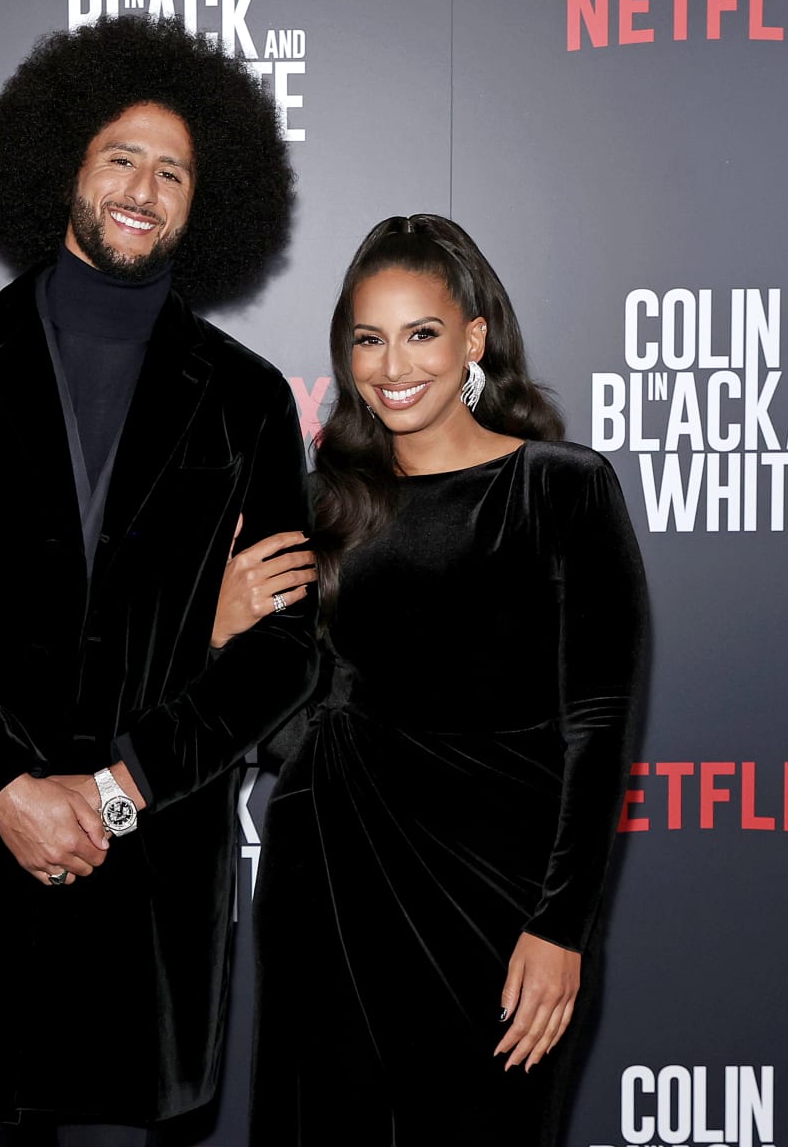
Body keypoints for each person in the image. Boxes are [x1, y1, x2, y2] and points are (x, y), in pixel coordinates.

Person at [0, 17, 318, 1146]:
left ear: (209, 203)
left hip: (139, 914)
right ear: (62, 162)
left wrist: (114, 793)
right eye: (121, 156)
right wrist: (9, 788)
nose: (144, 187)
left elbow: (285, 647)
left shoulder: (246, 399)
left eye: (175, 171)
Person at [224, 215, 649, 1146]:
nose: (392, 365)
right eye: (367, 340)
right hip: (331, 871)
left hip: (502, 899)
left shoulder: (559, 489)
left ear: (474, 340)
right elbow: (245, 693)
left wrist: (563, 926)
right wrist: (221, 625)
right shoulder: (317, 502)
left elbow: (599, 724)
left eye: (420, 333)